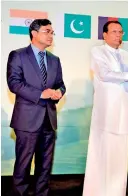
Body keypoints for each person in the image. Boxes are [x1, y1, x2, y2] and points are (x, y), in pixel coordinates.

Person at [82, 21, 128, 196]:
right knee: (102, 157)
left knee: (120, 160)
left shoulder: (126, 54)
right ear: (104, 35)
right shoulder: (97, 51)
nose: (118, 35)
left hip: (123, 113)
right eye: (114, 32)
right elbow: (105, 75)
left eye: (121, 32)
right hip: (106, 114)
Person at [7, 19, 66, 196]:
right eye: (47, 31)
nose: (51, 35)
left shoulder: (55, 60)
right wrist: (41, 94)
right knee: (23, 166)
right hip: (26, 121)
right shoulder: (18, 55)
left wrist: (58, 92)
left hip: (49, 120)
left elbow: (61, 84)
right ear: (34, 33)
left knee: (45, 167)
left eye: (52, 32)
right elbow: (14, 83)